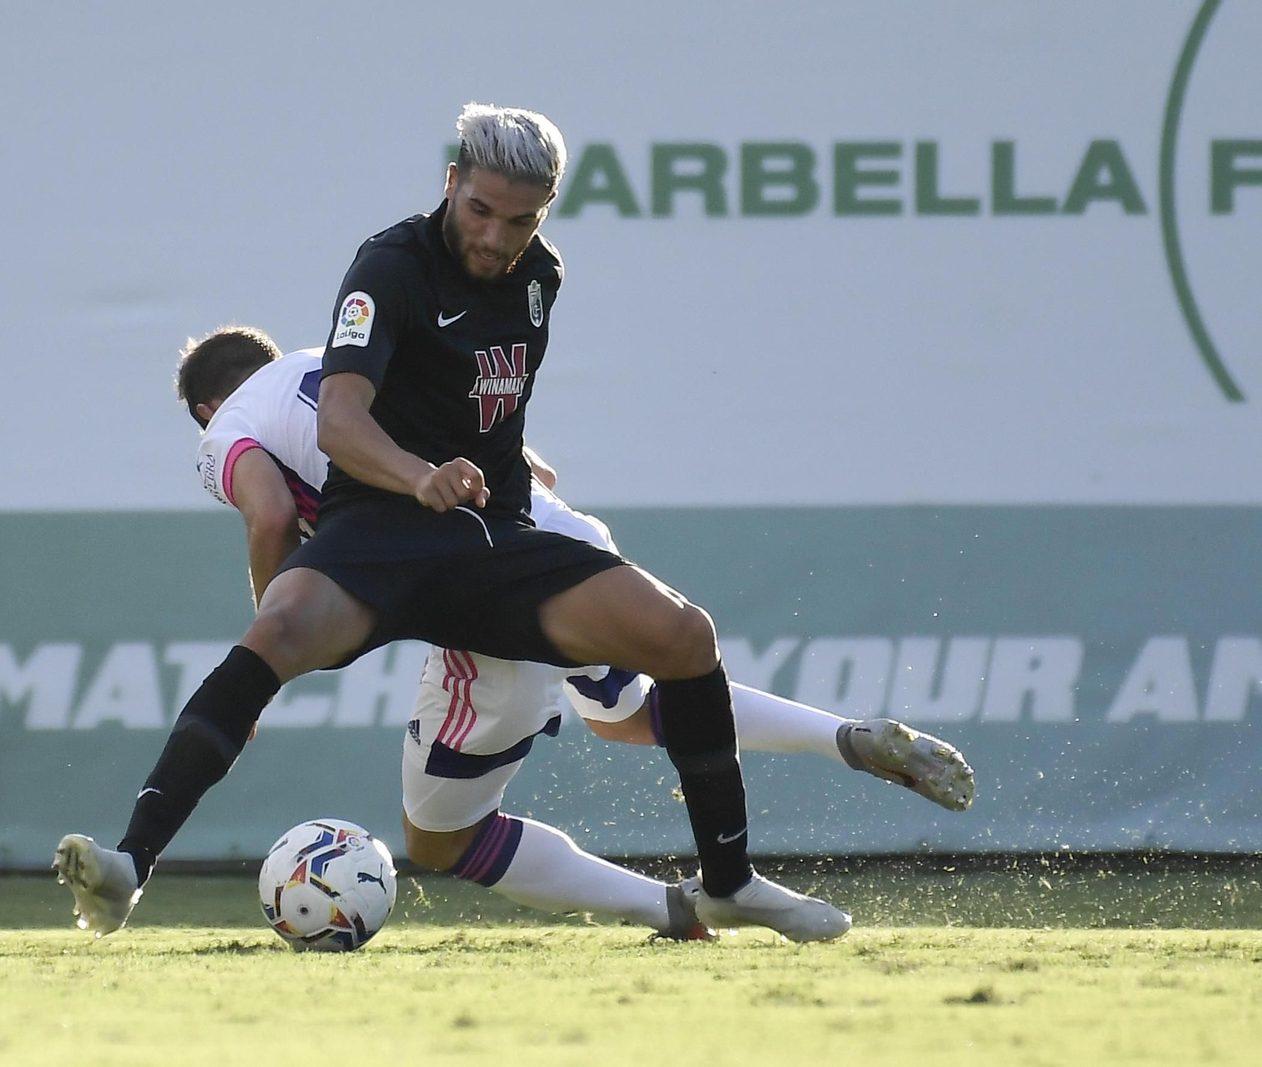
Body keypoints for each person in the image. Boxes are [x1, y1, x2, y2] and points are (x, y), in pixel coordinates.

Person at [57, 103, 881, 943]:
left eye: (520, 218)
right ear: (451, 183)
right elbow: (340, 423)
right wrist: (419, 477)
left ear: (545, 210)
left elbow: (491, 417)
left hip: (489, 535)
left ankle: (729, 881)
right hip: (379, 527)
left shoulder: (539, 278)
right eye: (480, 209)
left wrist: (504, 473)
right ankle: (129, 864)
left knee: (683, 636)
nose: (494, 235)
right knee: (278, 631)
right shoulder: (389, 266)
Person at [75, 331, 972, 940]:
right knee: (639, 708)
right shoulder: (341, 359)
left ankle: (681, 910)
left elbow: (269, 513)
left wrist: (273, 651)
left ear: (205, 410)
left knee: (439, 840)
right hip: (567, 543)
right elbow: (502, 434)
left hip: (477, 592)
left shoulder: (229, 424)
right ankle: (840, 737)